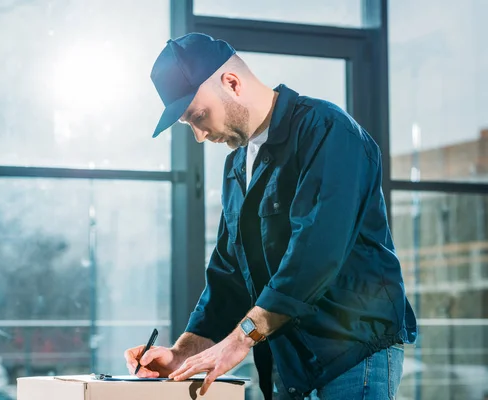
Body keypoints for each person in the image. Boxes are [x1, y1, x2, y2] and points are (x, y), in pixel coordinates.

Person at [124, 32, 417, 400]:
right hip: (290, 364)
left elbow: (317, 252)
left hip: (352, 352)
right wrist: (181, 353)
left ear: (231, 83)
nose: (199, 136)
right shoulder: (237, 166)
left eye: (199, 116)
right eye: (189, 125)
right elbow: (228, 274)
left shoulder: (327, 130)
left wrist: (241, 338)